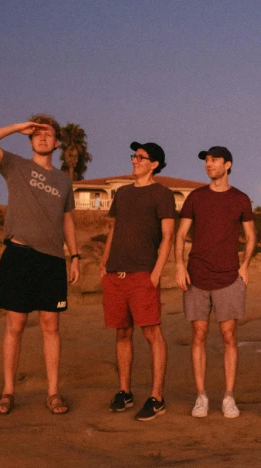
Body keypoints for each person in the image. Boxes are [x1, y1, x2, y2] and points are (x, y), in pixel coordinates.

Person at [0, 115, 80, 415]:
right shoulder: (16, 166)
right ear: (30, 139)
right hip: (19, 255)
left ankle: (53, 393)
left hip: (52, 260)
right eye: (37, 134)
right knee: (15, 324)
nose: (43, 138)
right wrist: (18, 126)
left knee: (51, 325)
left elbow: (67, 219)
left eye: (49, 134)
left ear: (57, 142)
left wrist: (75, 256)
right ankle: (7, 392)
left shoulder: (63, 180)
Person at [175, 146, 255, 419]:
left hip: (229, 277)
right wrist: (178, 265)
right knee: (198, 335)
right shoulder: (196, 197)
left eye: (214, 160)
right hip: (196, 276)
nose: (209, 164)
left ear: (228, 164)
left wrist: (245, 265)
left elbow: (251, 236)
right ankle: (201, 397)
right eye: (206, 160)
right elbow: (181, 232)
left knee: (229, 336)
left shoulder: (240, 199)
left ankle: (229, 397)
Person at [101, 142, 175, 421]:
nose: (135, 161)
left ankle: (157, 397)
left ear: (154, 164)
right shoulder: (122, 193)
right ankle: (124, 391)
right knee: (122, 332)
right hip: (115, 274)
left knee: (151, 333)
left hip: (143, 274)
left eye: (141, 157)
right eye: (134, 156)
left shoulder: (162, 194)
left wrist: (156, 273)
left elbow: (167, 236)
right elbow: (114, 228)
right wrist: (104, 263)